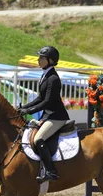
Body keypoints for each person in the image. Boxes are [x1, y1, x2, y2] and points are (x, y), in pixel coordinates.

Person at [17, 46, 70, 183]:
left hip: (57, 117)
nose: (38, 60)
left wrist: (28, 112)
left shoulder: (53, 78)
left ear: (50, 60)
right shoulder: (45, 75)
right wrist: (23, 107)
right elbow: (40, 98)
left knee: (38, 139)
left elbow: (47, 102)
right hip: (48, 116)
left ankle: (51, 172)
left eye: (41, 58)